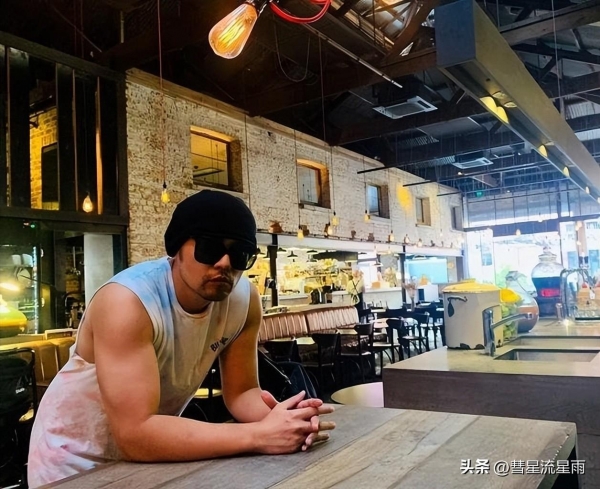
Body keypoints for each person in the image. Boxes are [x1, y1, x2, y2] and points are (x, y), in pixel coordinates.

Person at [27, 190, 335, 488]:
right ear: (177, 247)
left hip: (150, 456)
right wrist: (259, 435)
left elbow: (242, 393)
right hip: (72, 462)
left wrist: (284, 423)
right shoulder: (128, 301)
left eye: (240, 254)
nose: (224, 263)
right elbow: (136, 434)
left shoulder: (244, 301)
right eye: (209, 248)